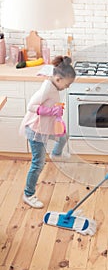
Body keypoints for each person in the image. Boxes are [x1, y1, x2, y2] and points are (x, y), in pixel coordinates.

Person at [20, 56, 76, 209]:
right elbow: (31, 106)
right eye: (68, 84)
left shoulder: (54, 86)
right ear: (58, 79)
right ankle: (28, 194)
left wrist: (56, 111)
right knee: (38, 163)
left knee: (64, 136)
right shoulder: (47, 88)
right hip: (36, 130)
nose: (68, 87)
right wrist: (51, 111)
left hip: (47, 126)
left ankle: (56, 154)